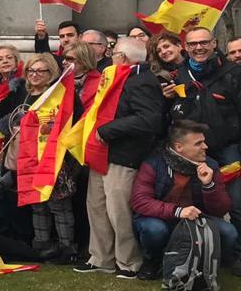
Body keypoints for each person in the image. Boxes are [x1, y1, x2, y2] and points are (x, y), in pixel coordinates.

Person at [76, 36, 165, 278]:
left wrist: (107, 130)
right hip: (101, 153)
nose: (111, 57)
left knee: (118, 212)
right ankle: (100, 258)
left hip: (122, 155)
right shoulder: (118, 76)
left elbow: (149, 120)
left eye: (114, 53)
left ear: (123, 58)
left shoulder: (142, 80)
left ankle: (128, 262)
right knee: (97, 208)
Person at [130, 120, 238, 279]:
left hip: (196, 219)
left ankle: (209, 264)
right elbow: (140, 201)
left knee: (229, 232)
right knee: (154, 229)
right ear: (179, 147)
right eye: (198, 143)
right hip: (162, 218)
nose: (205, 146)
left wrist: (209, 185)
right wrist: (178, 211)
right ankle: (152, 261)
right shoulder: (154, 163)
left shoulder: (211, 166)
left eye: (204, 141)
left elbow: (221, 209)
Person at [164, 26, 241, 237]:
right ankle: (199, 249)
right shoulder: (178, 76)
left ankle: (237, 254)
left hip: (228, 149)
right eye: (193, 44)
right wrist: (168, 98)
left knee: (236, 202)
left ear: (214, 43)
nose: (199, 47)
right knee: (190, 200)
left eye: (204, 42)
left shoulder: (233, 73)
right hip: (191, 151)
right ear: (185, 47)